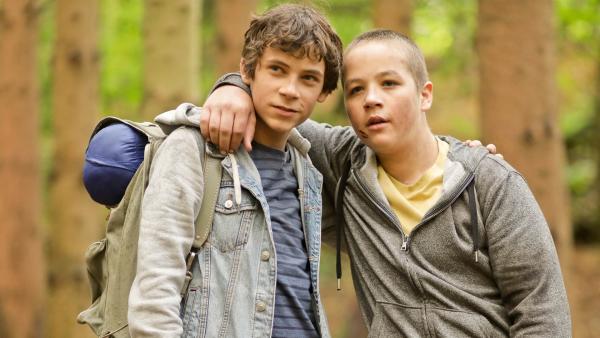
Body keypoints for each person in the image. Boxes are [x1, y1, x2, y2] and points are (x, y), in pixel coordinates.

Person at [192, 30, 571, 336]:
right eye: (356, 90)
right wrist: (231, 88)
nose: (372, 100)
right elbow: (277, 103)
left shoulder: (488, 182)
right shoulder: (344, 162)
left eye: (389, 84)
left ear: (424, 95)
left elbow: (541, 312)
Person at [127, 4, 343, 338]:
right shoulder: (194, 150)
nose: (290, 89)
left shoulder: (309, 171)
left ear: (324, 92)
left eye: (308, 78)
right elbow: (155, 291)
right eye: (277, 69)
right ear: (247, 70)